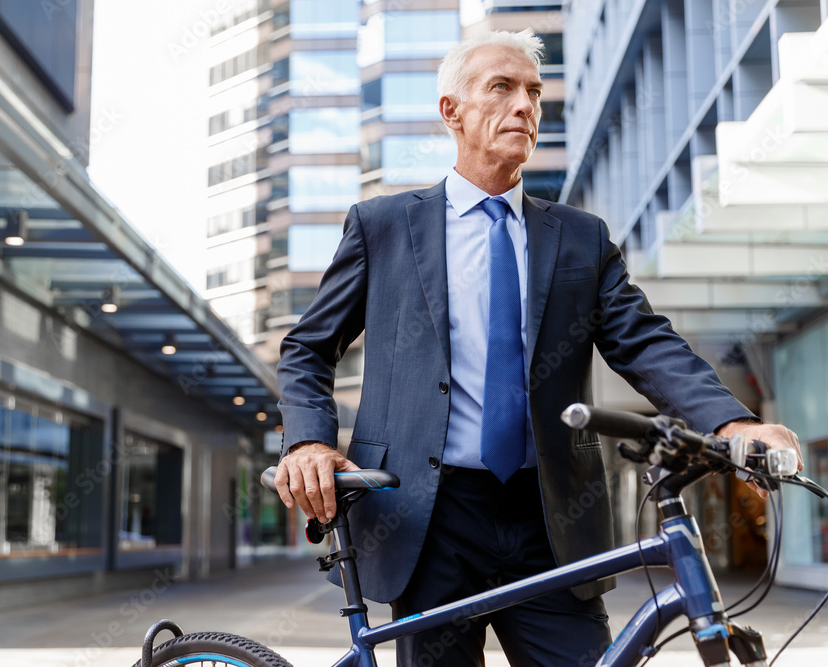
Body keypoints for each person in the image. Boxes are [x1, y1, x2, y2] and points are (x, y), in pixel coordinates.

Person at [273, 29, 802, 666]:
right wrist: (307, 439)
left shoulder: (579, 238)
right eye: (502, 88)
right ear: (452, 112)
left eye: (533, 91)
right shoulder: (384, 227)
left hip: (549, 515)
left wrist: (735, 421)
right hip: (424, 516)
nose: (525, 105)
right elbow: (307, 347)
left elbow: (644, 342)